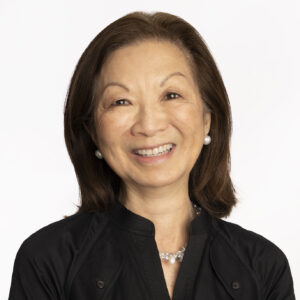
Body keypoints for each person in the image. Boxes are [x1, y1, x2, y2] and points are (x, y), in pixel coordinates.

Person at [8, 11, 295, 300]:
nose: (149, 125)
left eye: (171, 95)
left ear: (207, 117)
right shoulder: (48, 261)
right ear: (93, 130)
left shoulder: (263, 267)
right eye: (121, 101)